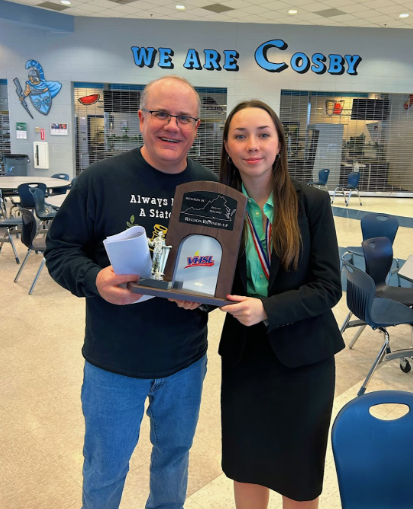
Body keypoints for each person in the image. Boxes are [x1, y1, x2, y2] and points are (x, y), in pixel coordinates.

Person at [44, 75, 217, 509]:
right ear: (141, 118)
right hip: (113, 364)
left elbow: (222, 267)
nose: (172, 126)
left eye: (184, 117)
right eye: (161, 113)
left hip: (184, 361)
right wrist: (95, 281)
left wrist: (206, 293)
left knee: (174, 461)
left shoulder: (211, 190)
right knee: (105, 468)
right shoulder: (101, 180)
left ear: (196, 127)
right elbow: (60, 251)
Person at [218, 100, 345, 509]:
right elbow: (208, 277)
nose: (252, 144)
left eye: (263, 134)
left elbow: (328, 287)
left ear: (278, 144)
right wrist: (193, 299)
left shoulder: (311, 203)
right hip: (244, 358)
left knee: (299, 472)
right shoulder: (215, 206)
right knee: (247, 462)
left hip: (305, 358)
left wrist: (268, 309)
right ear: (227, 146)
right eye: (240, 135)